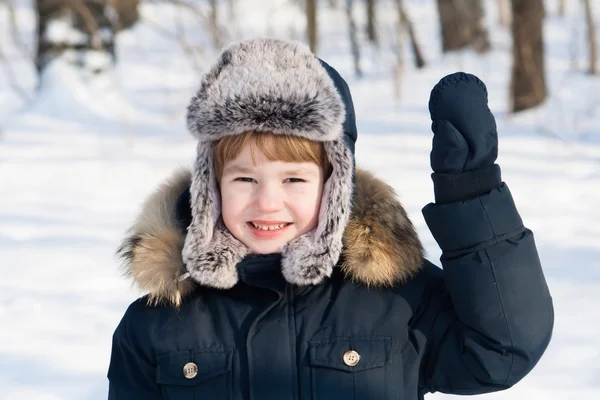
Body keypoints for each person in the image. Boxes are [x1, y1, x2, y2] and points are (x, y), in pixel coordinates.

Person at [107, 38, 554, 400]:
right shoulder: (159, 321)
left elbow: (499, 352)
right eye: (244, 179)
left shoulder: (395, 298)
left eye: (294, 180)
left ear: (335, 187)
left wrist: (471, 196)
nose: (267, 202)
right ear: (209, 187)